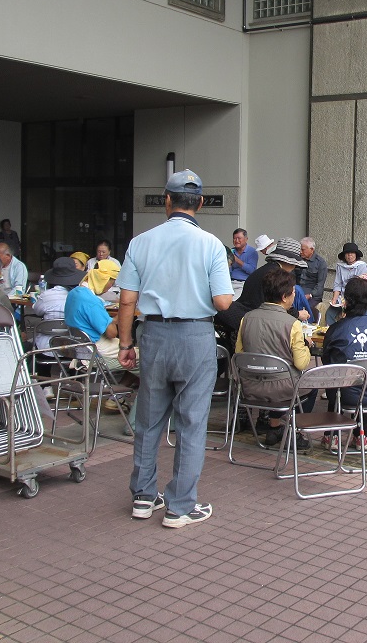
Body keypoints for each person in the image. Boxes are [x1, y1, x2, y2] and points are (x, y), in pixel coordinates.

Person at [115, 169, 233, 529]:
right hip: (195, 336)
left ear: (167, 201)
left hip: (152, 334)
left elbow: (126, 301)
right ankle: (179, 507)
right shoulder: (211, 244)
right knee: (191, 423)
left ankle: (143, 497)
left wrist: (125, 343)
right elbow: (223, 302)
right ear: (200, 203)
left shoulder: (140, 242)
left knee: (149, 420)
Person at [235, 269, 314, 449]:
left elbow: (239, 353)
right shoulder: (292, 324)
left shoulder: (246, 318)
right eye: (293, 292)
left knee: (282, 378)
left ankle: (274, 428)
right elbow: (301, 363)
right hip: (282, 388)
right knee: (310, 385)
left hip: (248, 385)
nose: (294, 296)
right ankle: (294, 432)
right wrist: (306, 346)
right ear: (285, 297)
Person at [322, 277, 367, 450]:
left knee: (340, 380)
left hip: (344, 394)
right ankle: (361, 436)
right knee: (365, 379)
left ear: (347, 300)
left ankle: (332, 436)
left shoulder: (336, 329)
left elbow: (327, 362)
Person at [29, 257, 85, 350]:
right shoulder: (82, 296)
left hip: (46, 347)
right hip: (74, 347)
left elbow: (37, 312)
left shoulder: (46, 296)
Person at [326, 242, 367, 325]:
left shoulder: (362, 266)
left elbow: (360, 287)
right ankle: (331, 330)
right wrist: (334, 300)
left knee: (348, 317)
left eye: (352, 253)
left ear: (356, 255)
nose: (349, 255)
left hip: (356, 298)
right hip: (342, 298)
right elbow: (338, 284)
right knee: (329, 313)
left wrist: (348, 303)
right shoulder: (340, 266)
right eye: (347, 253)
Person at [297, 237, 328, 310]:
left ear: (312, 249)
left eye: (303, 250)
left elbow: (320, 284)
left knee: (305, 308)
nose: (300, 252)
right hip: (297, 291)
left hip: (312, 294)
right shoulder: (297, 259)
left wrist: (310, 295)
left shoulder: (320, 263)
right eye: (300, 249)